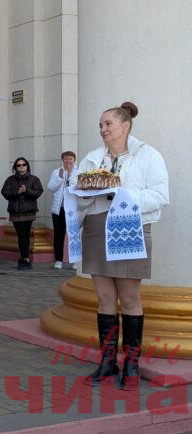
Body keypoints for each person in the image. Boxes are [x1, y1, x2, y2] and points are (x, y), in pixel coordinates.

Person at [75, 102, 168, 390]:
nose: (102, 130)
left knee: (129, 299)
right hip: (96, 227)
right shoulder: (92, 159)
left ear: (125, 126)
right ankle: (107, 362)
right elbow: (79, 198)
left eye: (108, 124)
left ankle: (131, 363)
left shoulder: (147, 155)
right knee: (104, 297)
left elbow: (160, 195)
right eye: (100, 125)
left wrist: (122, 193)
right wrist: (87, 191)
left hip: (129, 227)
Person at [1, 157, 43, 270]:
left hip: (29, 212)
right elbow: (4, 192)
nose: (21, 167)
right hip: (15, 213)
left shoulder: (34, 179)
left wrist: (27, 190)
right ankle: (24, 258)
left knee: (26, 235)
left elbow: (38, 192)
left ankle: (25, 259)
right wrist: (17, 192)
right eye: (18, 165)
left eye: (23, 165)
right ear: (15, 167)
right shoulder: (10, 179)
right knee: (21, 235)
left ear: (27, 166)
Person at [47, 151, 78, 269]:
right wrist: (60, 178)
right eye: (65, 159)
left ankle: (75, 261)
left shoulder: (78, 172)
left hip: (73, 209)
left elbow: (77, 187)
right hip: (58, 209)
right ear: (62, 160)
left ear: (74, 160)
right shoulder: (56, 172)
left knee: (73, 235)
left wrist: (70, 175)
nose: (68, 162)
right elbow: (51, 187)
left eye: (70, 159)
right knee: (59, 235)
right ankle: (58, 260)